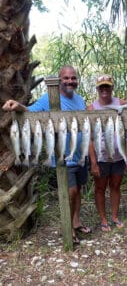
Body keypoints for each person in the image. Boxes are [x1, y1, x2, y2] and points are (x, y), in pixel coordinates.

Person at [2, 65, 91, 244]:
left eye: (73, 78)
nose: (70, 81)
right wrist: (18, 105)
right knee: (71, 191)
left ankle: (76, 222)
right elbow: (31, 112)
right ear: (59, 81)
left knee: (78, 190)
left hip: (80, 156)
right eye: (66, 78)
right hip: (63, 157)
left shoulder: (80, 100)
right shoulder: (49, 99)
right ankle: (68, 229)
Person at [87, 74, 126, 232]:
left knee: (115, 186)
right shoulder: (91, 108)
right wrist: (93, 162)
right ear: (97, 89)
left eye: (107, 86)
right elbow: (90, 138)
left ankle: (114, 216)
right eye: (101, 87)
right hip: (101, 156)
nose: (104, 90)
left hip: (118, 156)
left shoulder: (121, 103)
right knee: (100, 188)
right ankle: (103, 219)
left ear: (111, 88)